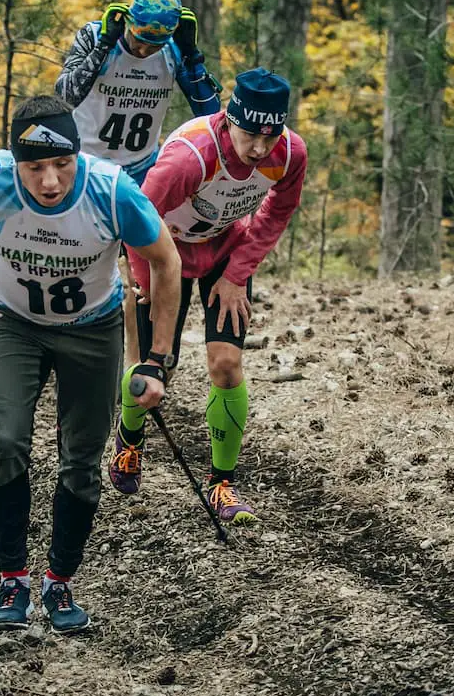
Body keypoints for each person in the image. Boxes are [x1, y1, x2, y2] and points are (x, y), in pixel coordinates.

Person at [0, 96, 182, 634]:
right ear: (16, 163)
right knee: (6, 442)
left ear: (78, 155)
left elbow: (166, 260)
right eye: (34, 168)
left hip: (93, 331)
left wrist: (156, 360)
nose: (50, 181)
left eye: (62, 164)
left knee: (81, 462)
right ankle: (13, 578)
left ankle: (59, 582)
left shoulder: (111, 190)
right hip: (11, 323)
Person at [110, 68, 308, 527]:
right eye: (249, 134)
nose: (259, 149)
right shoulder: (190, 158)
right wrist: (145, 279)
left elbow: (279, 210)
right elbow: (137, 216)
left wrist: (239, 274)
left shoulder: (290, 152)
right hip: (166, 253)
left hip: (225, 249)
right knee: (156, 366)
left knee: (226, 364)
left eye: (269, 135)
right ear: (228, 118)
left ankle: (222, 482)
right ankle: (129, 440)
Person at [56, 0, 221, 365]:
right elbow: (65, 94)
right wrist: (102, 49)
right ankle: (70, 348)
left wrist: (193, 58)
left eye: (155, 43)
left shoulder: (173, 50)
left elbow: (211, 117)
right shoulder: (96, 35)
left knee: (139, 275)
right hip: (88, 166)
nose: (145, 49)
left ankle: (140, 363)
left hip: (143, 170)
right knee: (82, 263)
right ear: (126, 21)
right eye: (139, 38)